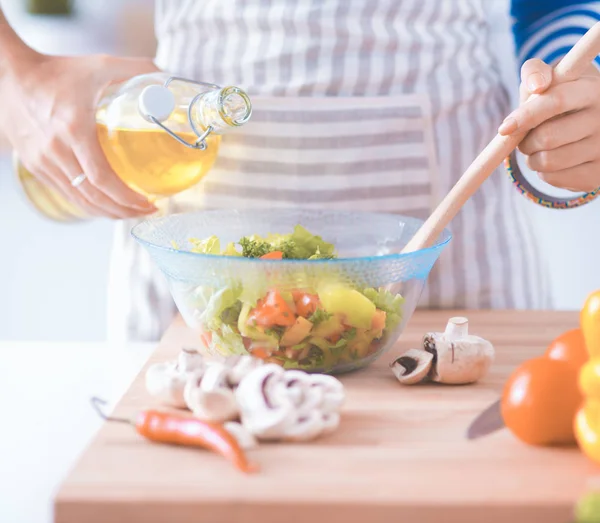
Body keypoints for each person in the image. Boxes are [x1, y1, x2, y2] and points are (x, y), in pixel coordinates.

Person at [0, 1, 599, 342]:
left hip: (460, 272)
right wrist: (15, 80)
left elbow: (556, 7)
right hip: (190, 297)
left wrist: (570, 97)